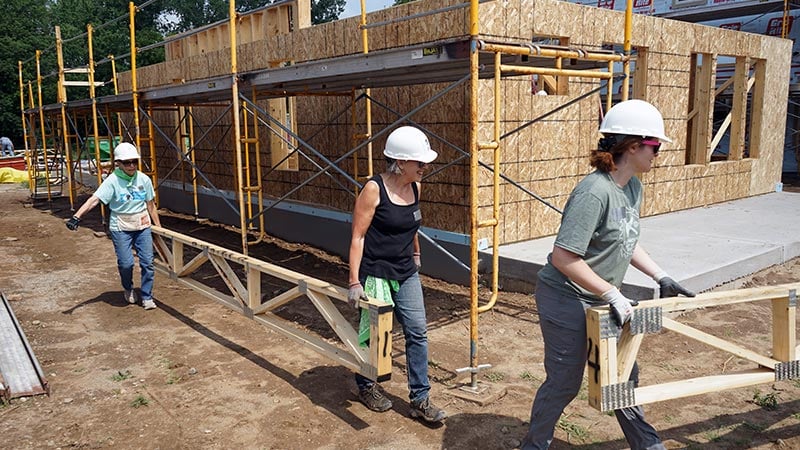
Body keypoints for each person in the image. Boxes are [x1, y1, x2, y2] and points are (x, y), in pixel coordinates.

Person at [521, 100, 695, 450]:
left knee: (622, 376)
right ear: (632, 147)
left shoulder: (632, 187)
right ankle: (535, 445)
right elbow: (563, 257)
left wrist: (660, 275)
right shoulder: (594, 192)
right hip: (565, 299)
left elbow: (626, 239)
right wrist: (613, 294)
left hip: (601, 300)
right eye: (655, 147)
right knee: (564, 382)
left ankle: (647, 445)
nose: (657, 154)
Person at [347, 126, 446, 423]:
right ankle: (366, 385)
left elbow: (412, 223)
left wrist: (416, 253)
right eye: (420, 163)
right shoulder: (373, 189)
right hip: (376, 271)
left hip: (405, 272)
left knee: (417, 331)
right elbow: (357, 237)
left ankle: (420, 398)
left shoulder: (416, 187)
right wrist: (354, 280)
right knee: (377, 335)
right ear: (401, 162)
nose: (425, 168)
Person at [66, 142, 161, 310]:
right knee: (126, 263)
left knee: (148, 262)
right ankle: (128, 287)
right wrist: (77, 216)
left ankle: (147, 295)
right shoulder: (113, 181)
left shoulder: (143, 179)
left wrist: (158, 229)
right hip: (121, 226)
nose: (131, 166)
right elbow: (94, 199)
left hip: (142, 224)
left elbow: (151, 205)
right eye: (127, 162)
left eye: (134, 162)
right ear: (118, 163)